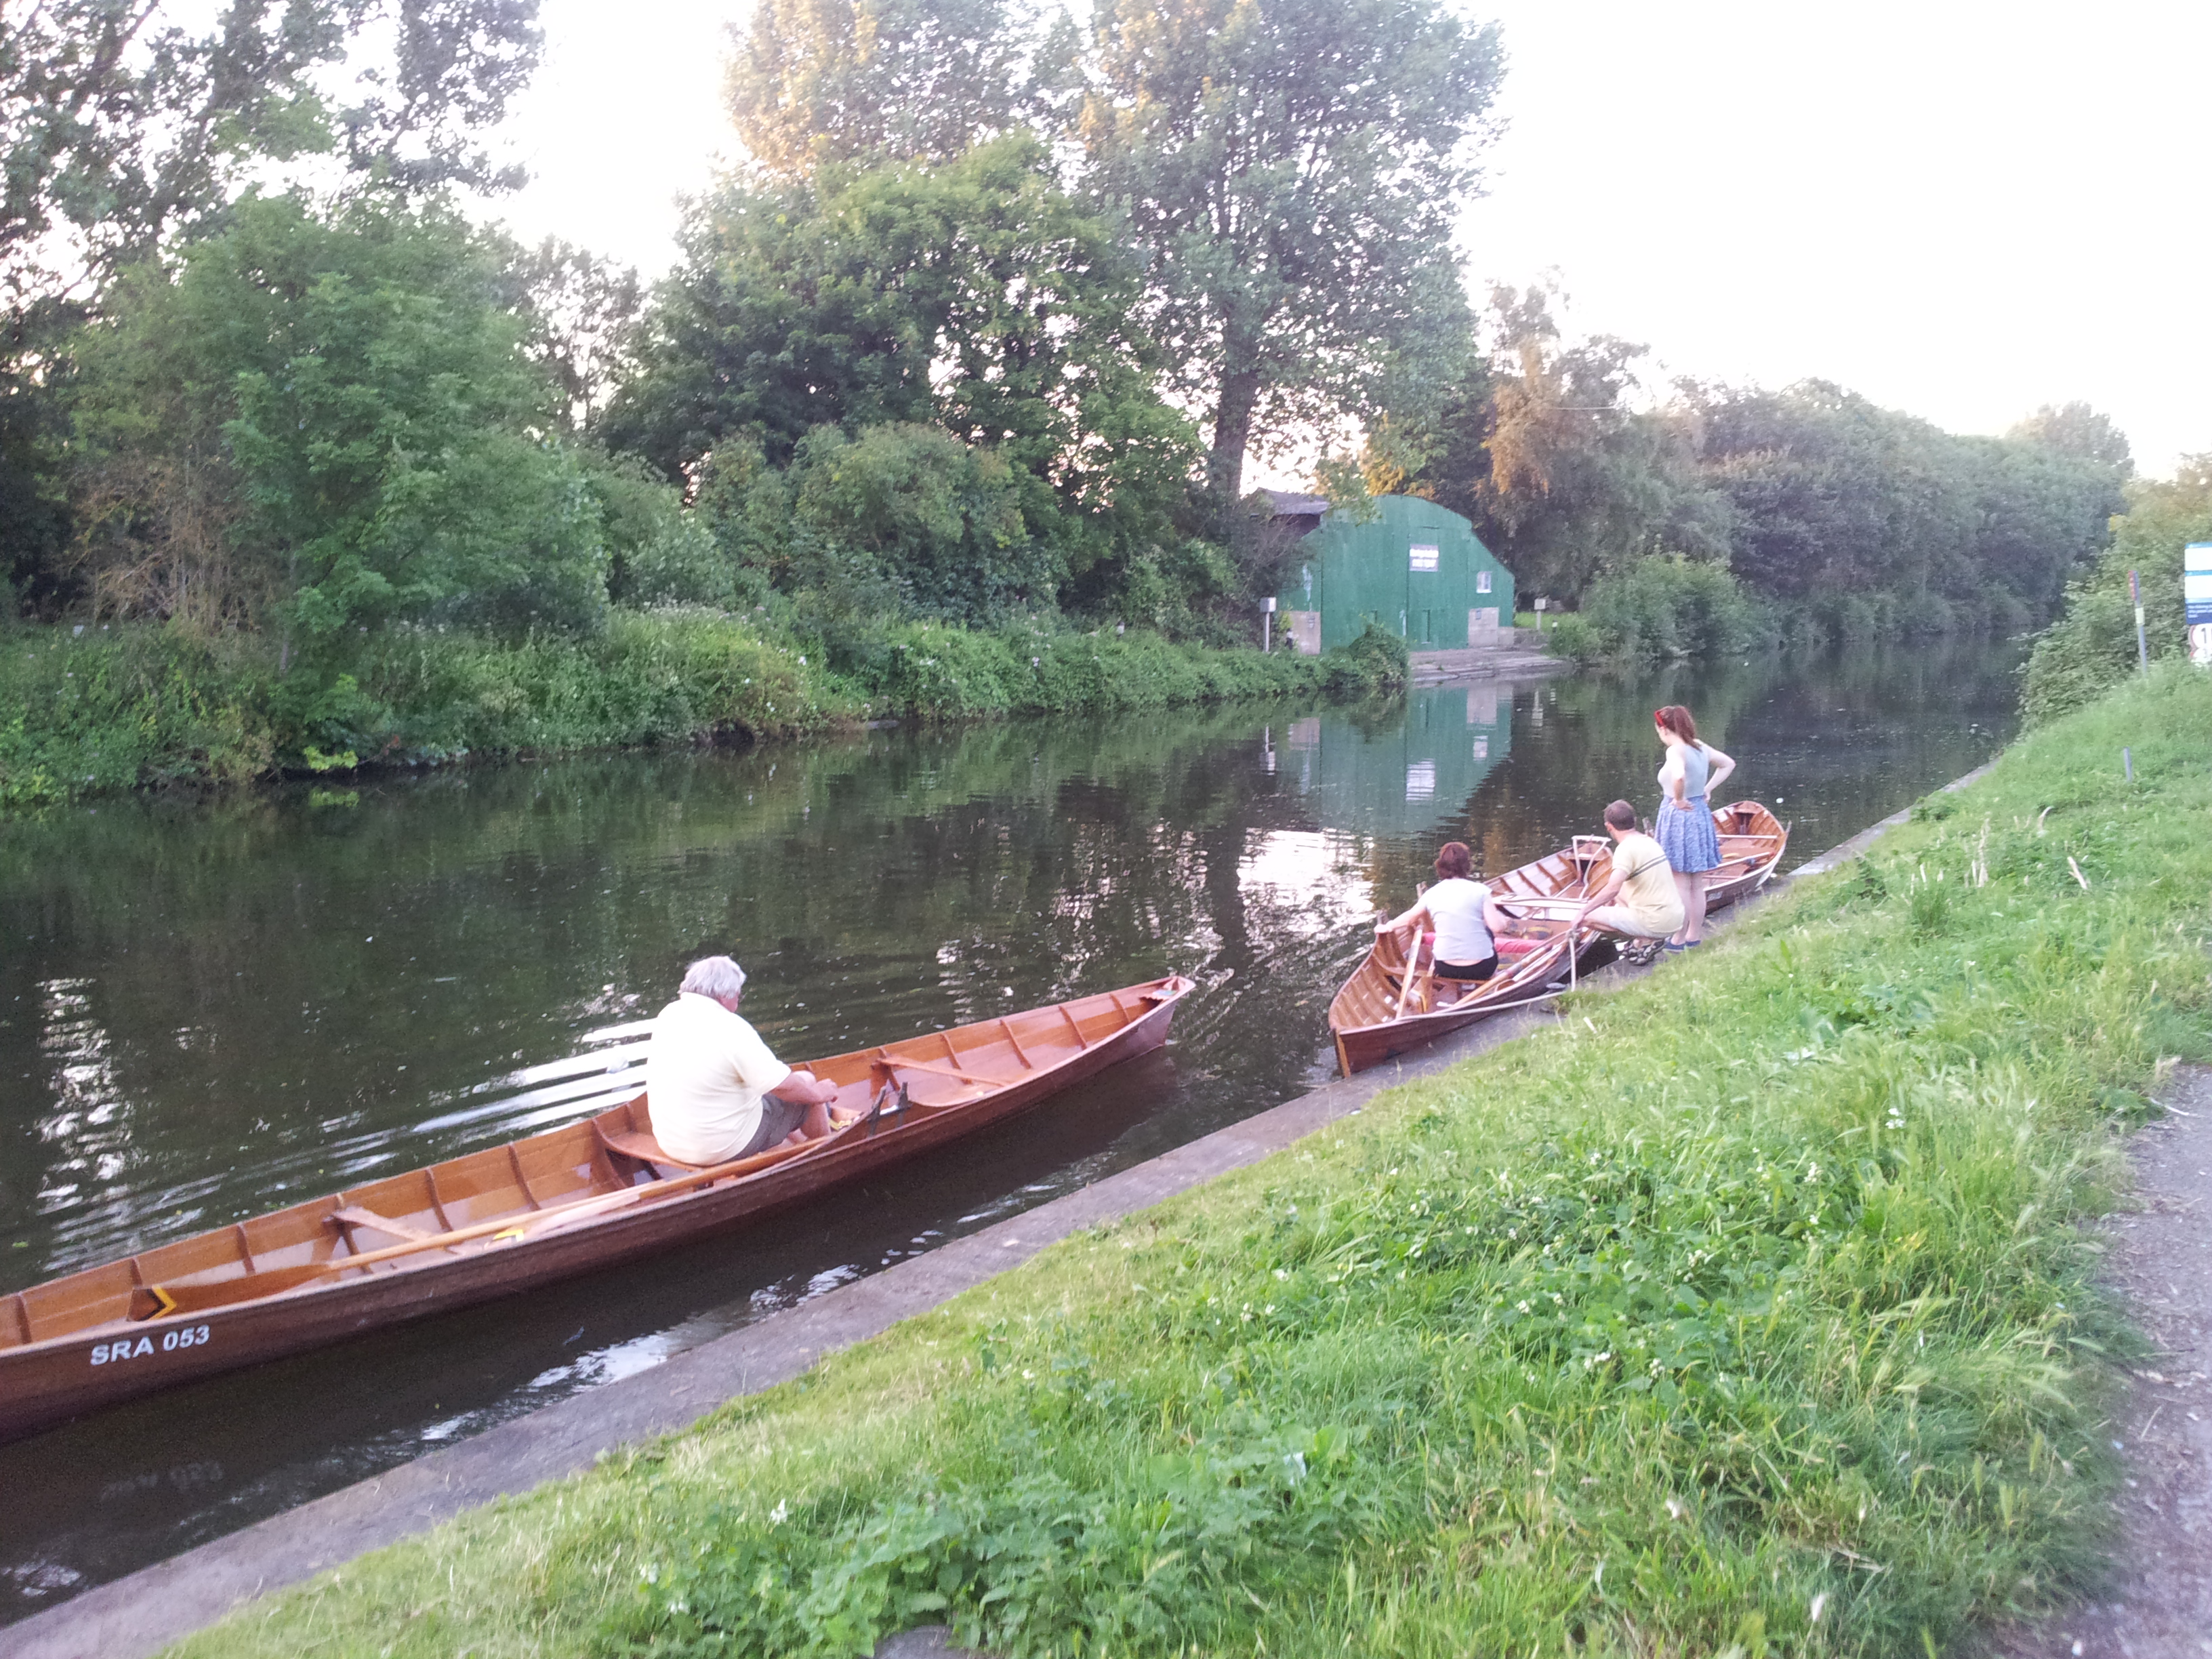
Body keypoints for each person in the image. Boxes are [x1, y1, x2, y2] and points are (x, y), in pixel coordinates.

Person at [644, 955, 844, 1166]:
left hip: (672, 1144)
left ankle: (789, 1149)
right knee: (807, 1084)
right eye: (738, 996)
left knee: (782, 1087)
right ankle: (827, 1155)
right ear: (724, 996)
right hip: (720, 1148)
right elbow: (784, 1087)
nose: (738, 1003)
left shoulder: (669, 1014)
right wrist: (818, 1094)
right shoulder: (731, 1027)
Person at [1375, 841, 1517, 1004]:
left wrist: (1388, 926)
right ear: (1467, 865)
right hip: (1480, 969)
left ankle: (1460, 996)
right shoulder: (1481, 891)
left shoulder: (1432, 894)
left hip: (1445, 968)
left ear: (1441, 866)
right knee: (1489, 934)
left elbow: (1409, 918)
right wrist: (1505, 921)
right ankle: (1483, 995)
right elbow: (1497, 927)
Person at [1651, 704, 1736, 949]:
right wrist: (1707, 789)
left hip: (1679, 817)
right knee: (1697, 883)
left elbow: (1678, 776)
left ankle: (1677, 939)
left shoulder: (1675, 751)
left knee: (1680, 882)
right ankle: (1693, 937)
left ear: (1664, 729)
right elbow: (1728, 764)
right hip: (1699, 813)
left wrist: (1678, 799)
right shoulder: (1700, 747)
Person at [1576, 800, 1687, 944]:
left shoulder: (1625, 849)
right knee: (1621, 889)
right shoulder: (1649, 841)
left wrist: (1583, 911)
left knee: (1587, 917)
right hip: (1676, 918)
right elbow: (1617, 890)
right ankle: (1645, 939)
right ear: (1634, 821)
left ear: (1608, 826)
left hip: (1657, 922)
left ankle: (1647, 940)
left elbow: (1612, 889)